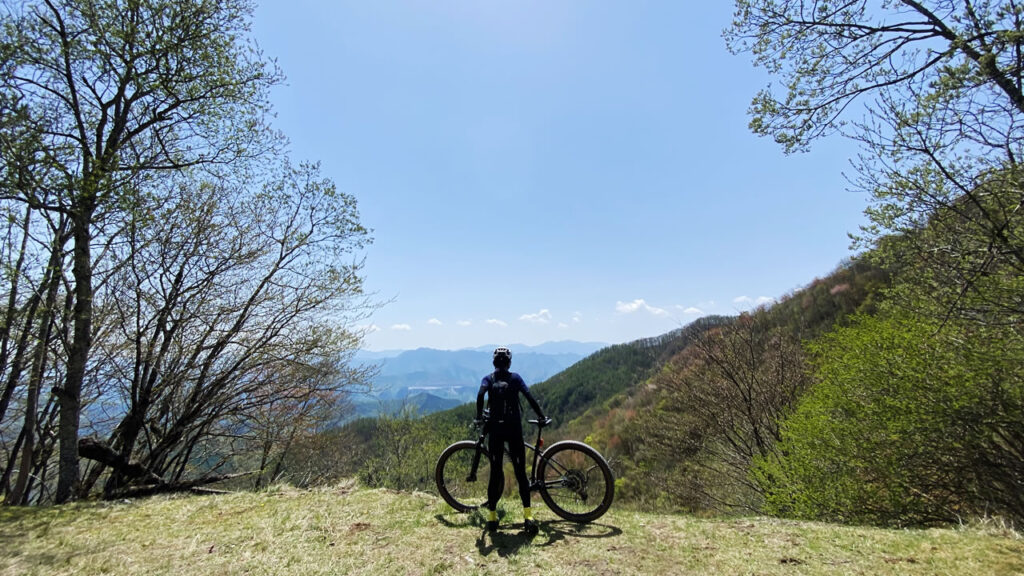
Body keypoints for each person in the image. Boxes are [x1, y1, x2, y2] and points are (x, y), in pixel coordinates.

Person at [475, 346, 549, 534]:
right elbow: (530, 397)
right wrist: (541, 416)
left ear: (494, 362)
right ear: (509, 362)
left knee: (495, 473)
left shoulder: (488, 379)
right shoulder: (515, 378)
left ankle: (492, 519)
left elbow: (480, 395)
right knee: (520, 474)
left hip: (496, 432)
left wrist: (478, 416)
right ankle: (528, 516)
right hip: (514, 429)